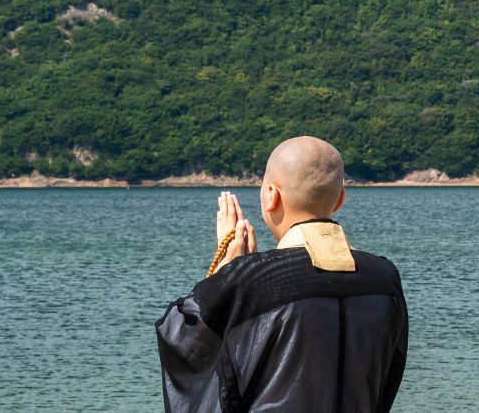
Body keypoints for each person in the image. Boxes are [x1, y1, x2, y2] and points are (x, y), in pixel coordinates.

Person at [156, 136, 408, 412]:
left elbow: (180, 339)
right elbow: (387, 379)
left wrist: (226, 272)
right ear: (340, 199)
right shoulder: (385, 279)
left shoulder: (249, 279)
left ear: (271, 196)